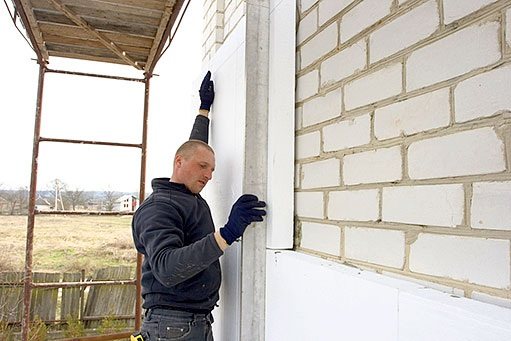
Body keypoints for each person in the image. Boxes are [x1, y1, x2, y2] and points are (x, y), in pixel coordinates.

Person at [131, 71, 266, 341]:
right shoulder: (158, 208)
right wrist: (227, 234)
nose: (208, 174)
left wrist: (204, 109)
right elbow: (167, 269)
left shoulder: (184, 194)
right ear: (177, 162)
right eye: (203, 167)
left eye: (213, 169)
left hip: (191, 323)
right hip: (172, 327)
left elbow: (196, 147)